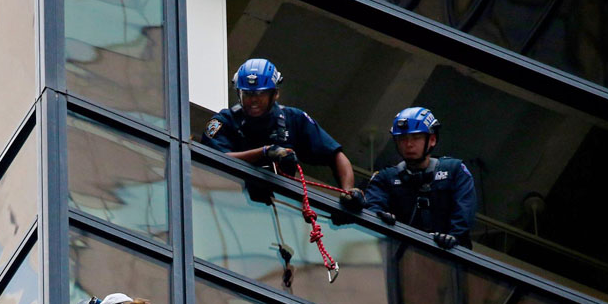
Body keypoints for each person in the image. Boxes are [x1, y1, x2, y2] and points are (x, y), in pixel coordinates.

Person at [201, 58, 365, 213]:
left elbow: (335, 155)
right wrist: (265, 152)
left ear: (275, 94)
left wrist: (348, 191)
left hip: (280, 209)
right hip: (227, 205)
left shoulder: (294, 119)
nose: (254, 101)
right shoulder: (224, 121)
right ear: (239, 93)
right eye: (248, 94)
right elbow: (215, 159)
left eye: (261, 94)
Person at [364, 106, 477, 250]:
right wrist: (379, 217)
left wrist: (453, 237)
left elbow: (465, 213)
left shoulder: (455, 171)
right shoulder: (384, 178)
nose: (409, 144)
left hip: (449, 260)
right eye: (402, 139)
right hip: (399, 260)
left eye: (416, 138)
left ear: (432, 139)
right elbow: (372, 207)